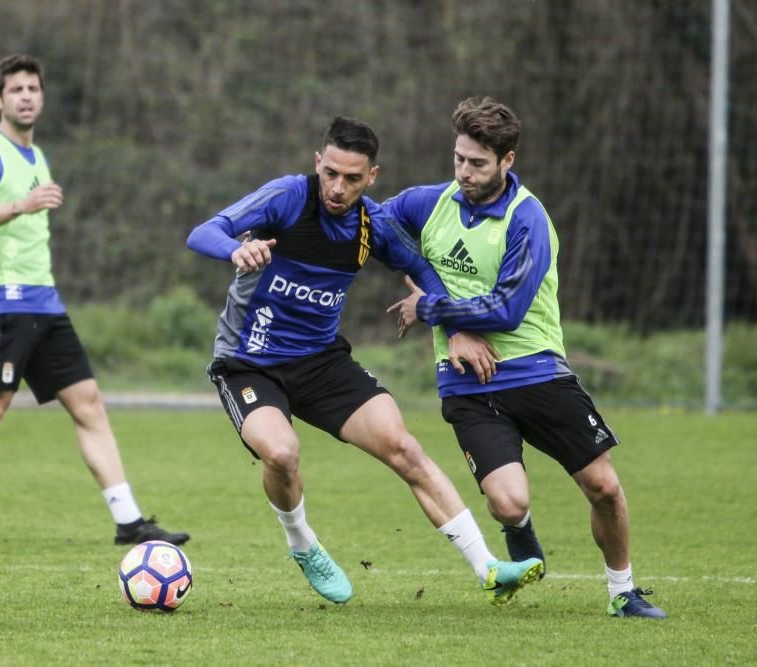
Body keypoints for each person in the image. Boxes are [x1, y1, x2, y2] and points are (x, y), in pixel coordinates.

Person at [186, 116, 543, 605]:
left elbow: (418, 266)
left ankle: (488, 567)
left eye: (352, 178)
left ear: (372, 176)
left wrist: (456, 329)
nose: (337, 187)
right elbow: (204, 231)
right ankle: (303, 543)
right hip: (249, 362)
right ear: (318, 163)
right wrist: (236, 251)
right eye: (331, 173)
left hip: (322, 363)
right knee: (283, 453)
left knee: (404, 447)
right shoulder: (289, 196)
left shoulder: (372, 224)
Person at [385, 97, 666, 619]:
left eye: (477, 163)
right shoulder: (428, 203)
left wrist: (431, 307)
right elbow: (375, 229)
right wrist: (449, 324)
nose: (464, 173)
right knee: (509, 504)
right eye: (458, 159)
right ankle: (520, 533)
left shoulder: (527, 219)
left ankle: (622, 592)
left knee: (603, 486)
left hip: (535, 370)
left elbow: (508, 310)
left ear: (507, 161)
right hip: (466, 380)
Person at [0, 55, 188, 549]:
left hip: (45, 304)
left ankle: (129, 521)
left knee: (89, 405)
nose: (27, 96)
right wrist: (19, 205)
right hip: (4, 304)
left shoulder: (38, 157)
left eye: (33, 88)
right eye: (16, 90)